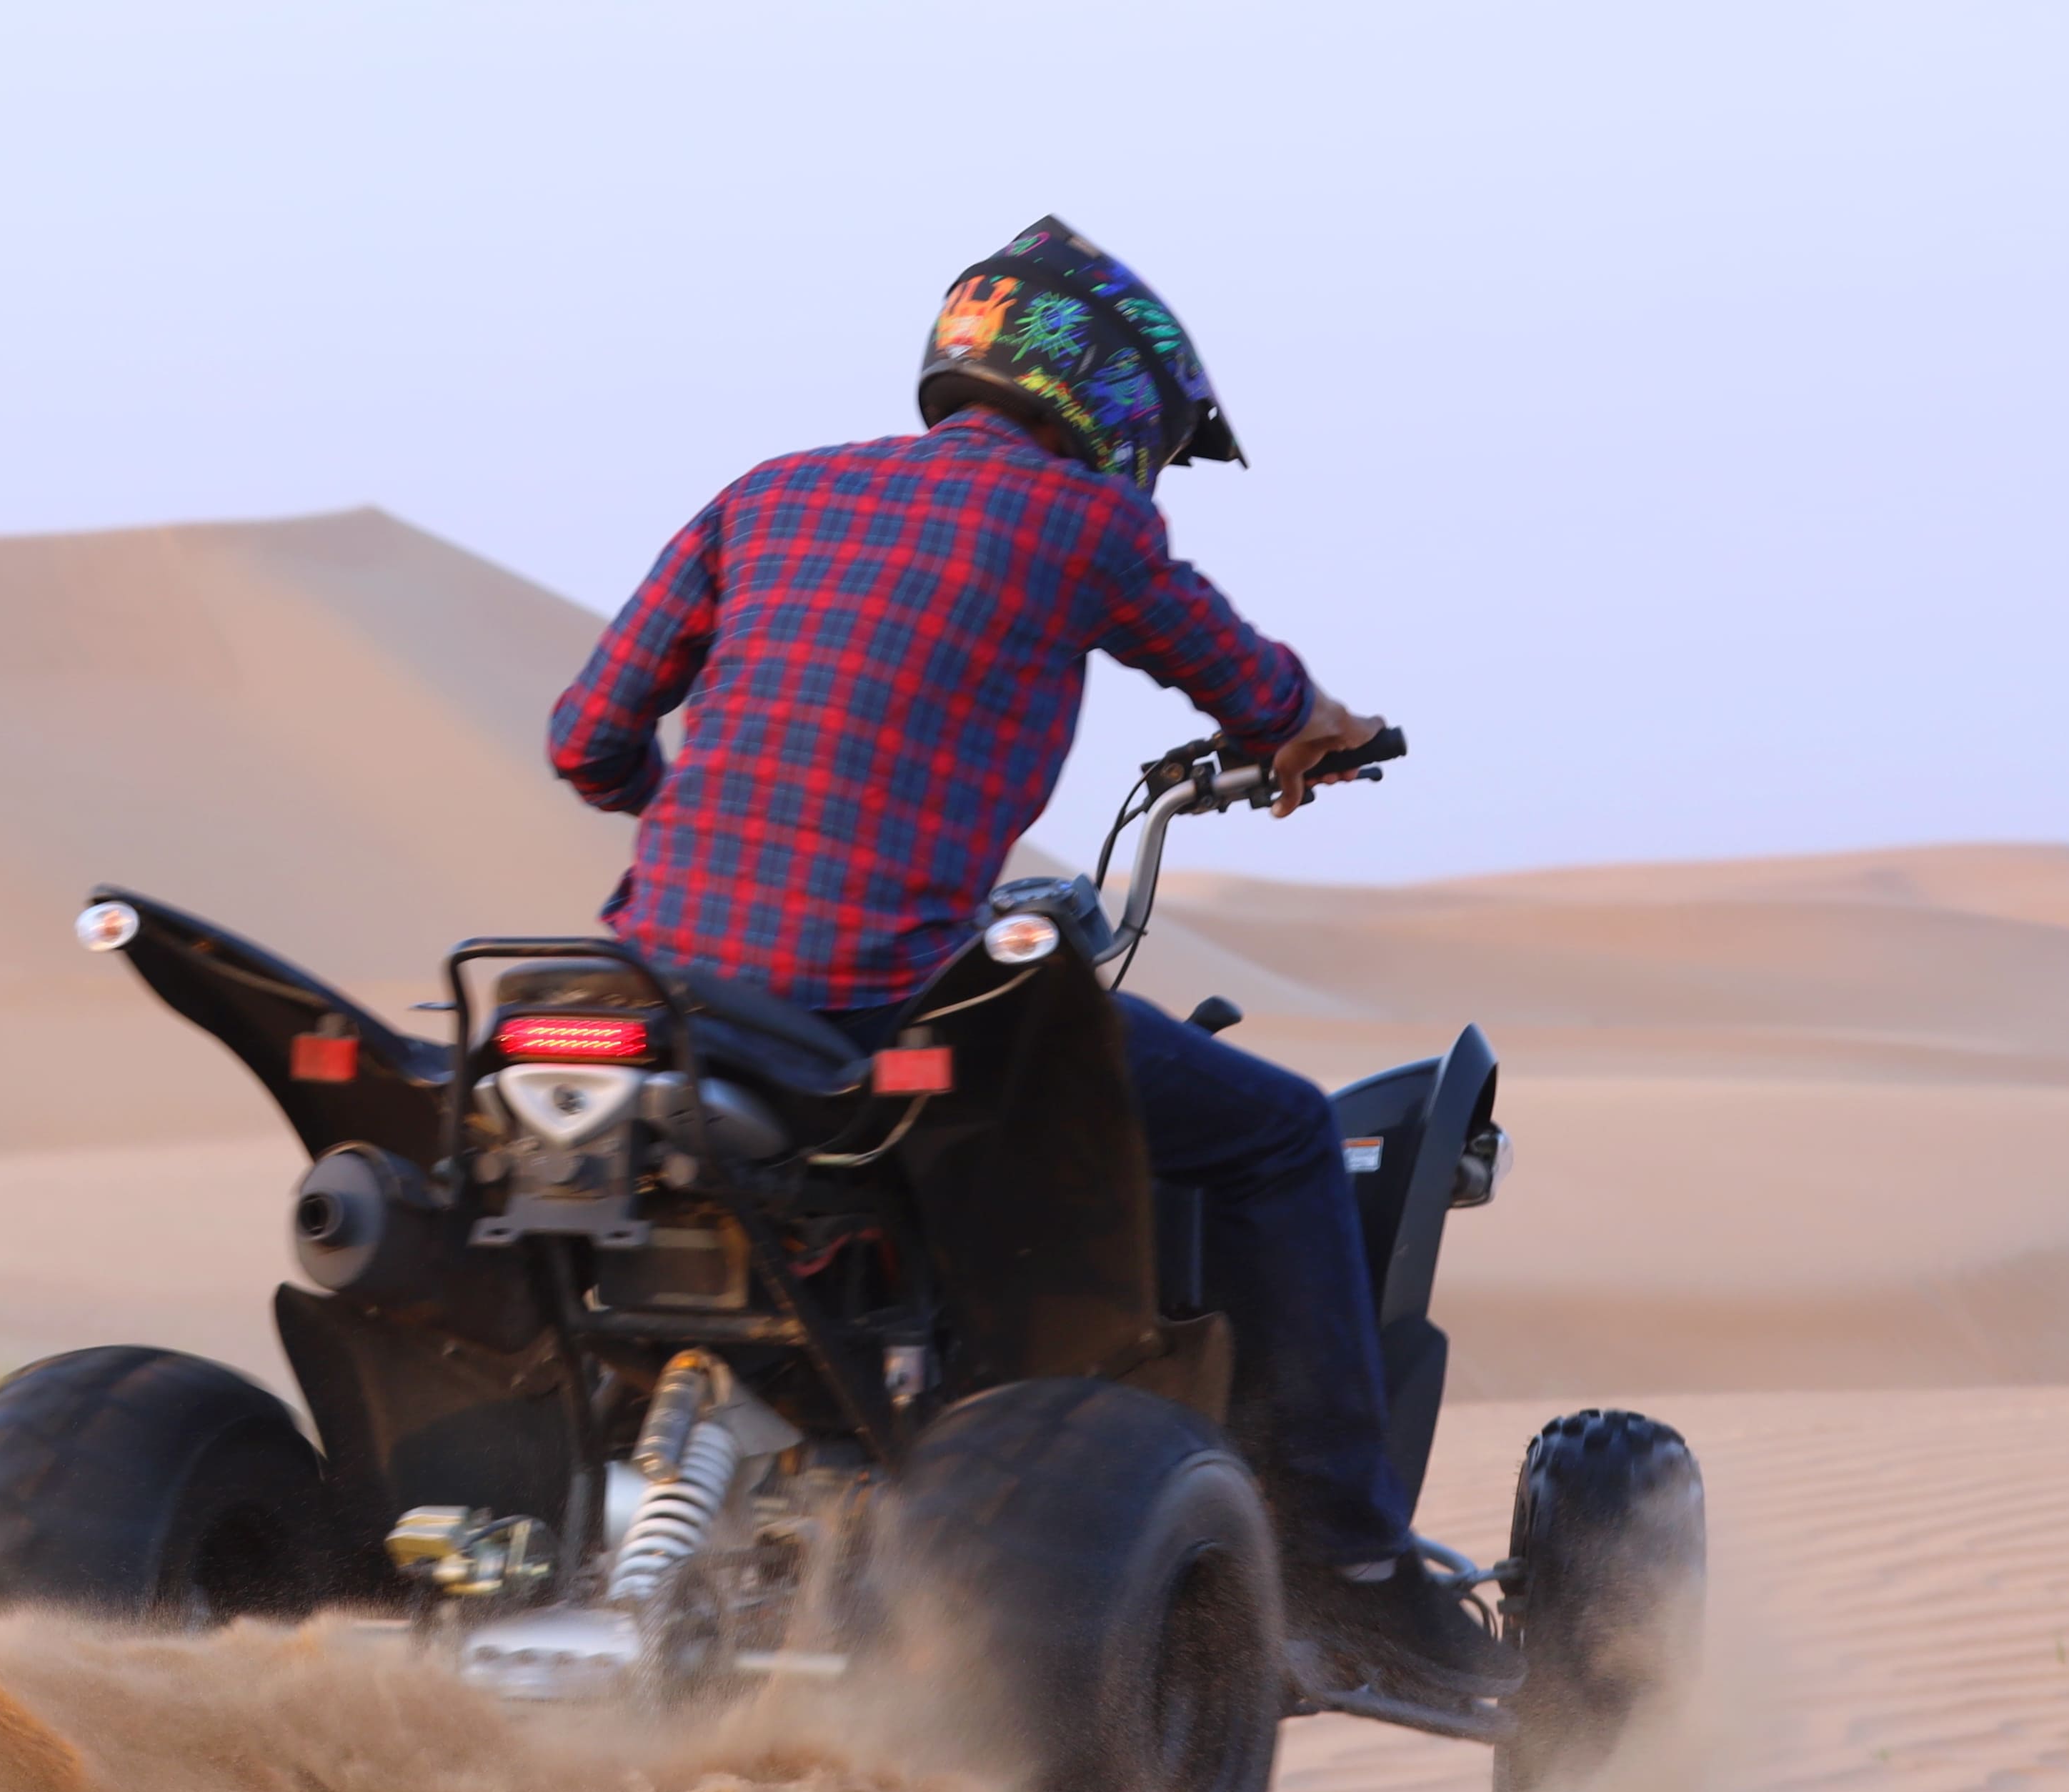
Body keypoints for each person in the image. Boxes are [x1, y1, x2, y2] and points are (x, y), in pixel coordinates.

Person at [543, 214, 1515, 1703]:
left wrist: (687, 809)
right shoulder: (1082, 525)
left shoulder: (768, 492)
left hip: (652, 997)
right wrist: (1317, 727)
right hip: (871, 1000)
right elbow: (1249, 683)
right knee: (1274, 1134)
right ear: (1115, 403)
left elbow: (586, 740)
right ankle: (1353, 1563)